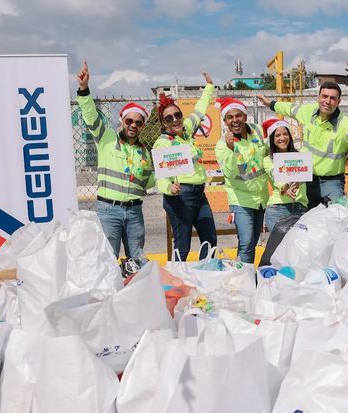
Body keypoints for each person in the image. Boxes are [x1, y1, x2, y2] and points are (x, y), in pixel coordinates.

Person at [76, 61, 154, 270]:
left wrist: (169, 175)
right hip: (108, 210)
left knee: (137, 259)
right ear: (122, 122)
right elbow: (91, 116)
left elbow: (149, 181)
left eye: (138, 122)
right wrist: (84, 90)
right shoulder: (107, 139)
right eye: (129, 121)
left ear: (142, 126)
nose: (133, 125)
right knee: (108, 260)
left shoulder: (144, 152)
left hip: (134, 211)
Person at [257, 84, 348, 208]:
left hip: (332, 183)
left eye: (333, 98)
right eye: (324, 96)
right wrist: (270, 104)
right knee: (309, 222)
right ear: (318, 97)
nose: (327, 101)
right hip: (307, 180)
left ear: (339, 101)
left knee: (336, 217)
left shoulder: (344, 122)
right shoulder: (308, 111)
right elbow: (289, 108)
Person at [153, 71, 216, 261]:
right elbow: (161, 177)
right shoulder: (162, 143)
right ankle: (175, 286)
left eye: (177, 115)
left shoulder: (187, 130)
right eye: (169, 118)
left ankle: (205, 276)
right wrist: (169, 187)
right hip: (180, 196)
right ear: (163, 124)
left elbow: (200, 110)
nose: (175, 120)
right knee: (182, 246)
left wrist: (209, 87)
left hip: (199, 193)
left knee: (210, 239)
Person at [215, 97, 268, 264]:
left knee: (252, 241)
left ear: (245, 116)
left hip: (261, 198)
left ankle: (242, 273)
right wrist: (231, 149)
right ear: (225, 121)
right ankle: (245, 280)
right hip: (240, 199)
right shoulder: (222, 144)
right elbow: (230, 173)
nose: (235, 120)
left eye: (238, 115)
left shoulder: (258, 132)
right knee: (246, 242)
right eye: (230, 117)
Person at [262, 118, 309, 231]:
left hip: (300, 207)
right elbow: (275, 174)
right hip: (277, 209)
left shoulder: (301, 155)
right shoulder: (268, 160)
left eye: (285, 134)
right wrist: (285, 186)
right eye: (277, 135)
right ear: (272, 139)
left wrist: (300, 180)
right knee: (279, 246)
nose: (282, 138)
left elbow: (306, 172)